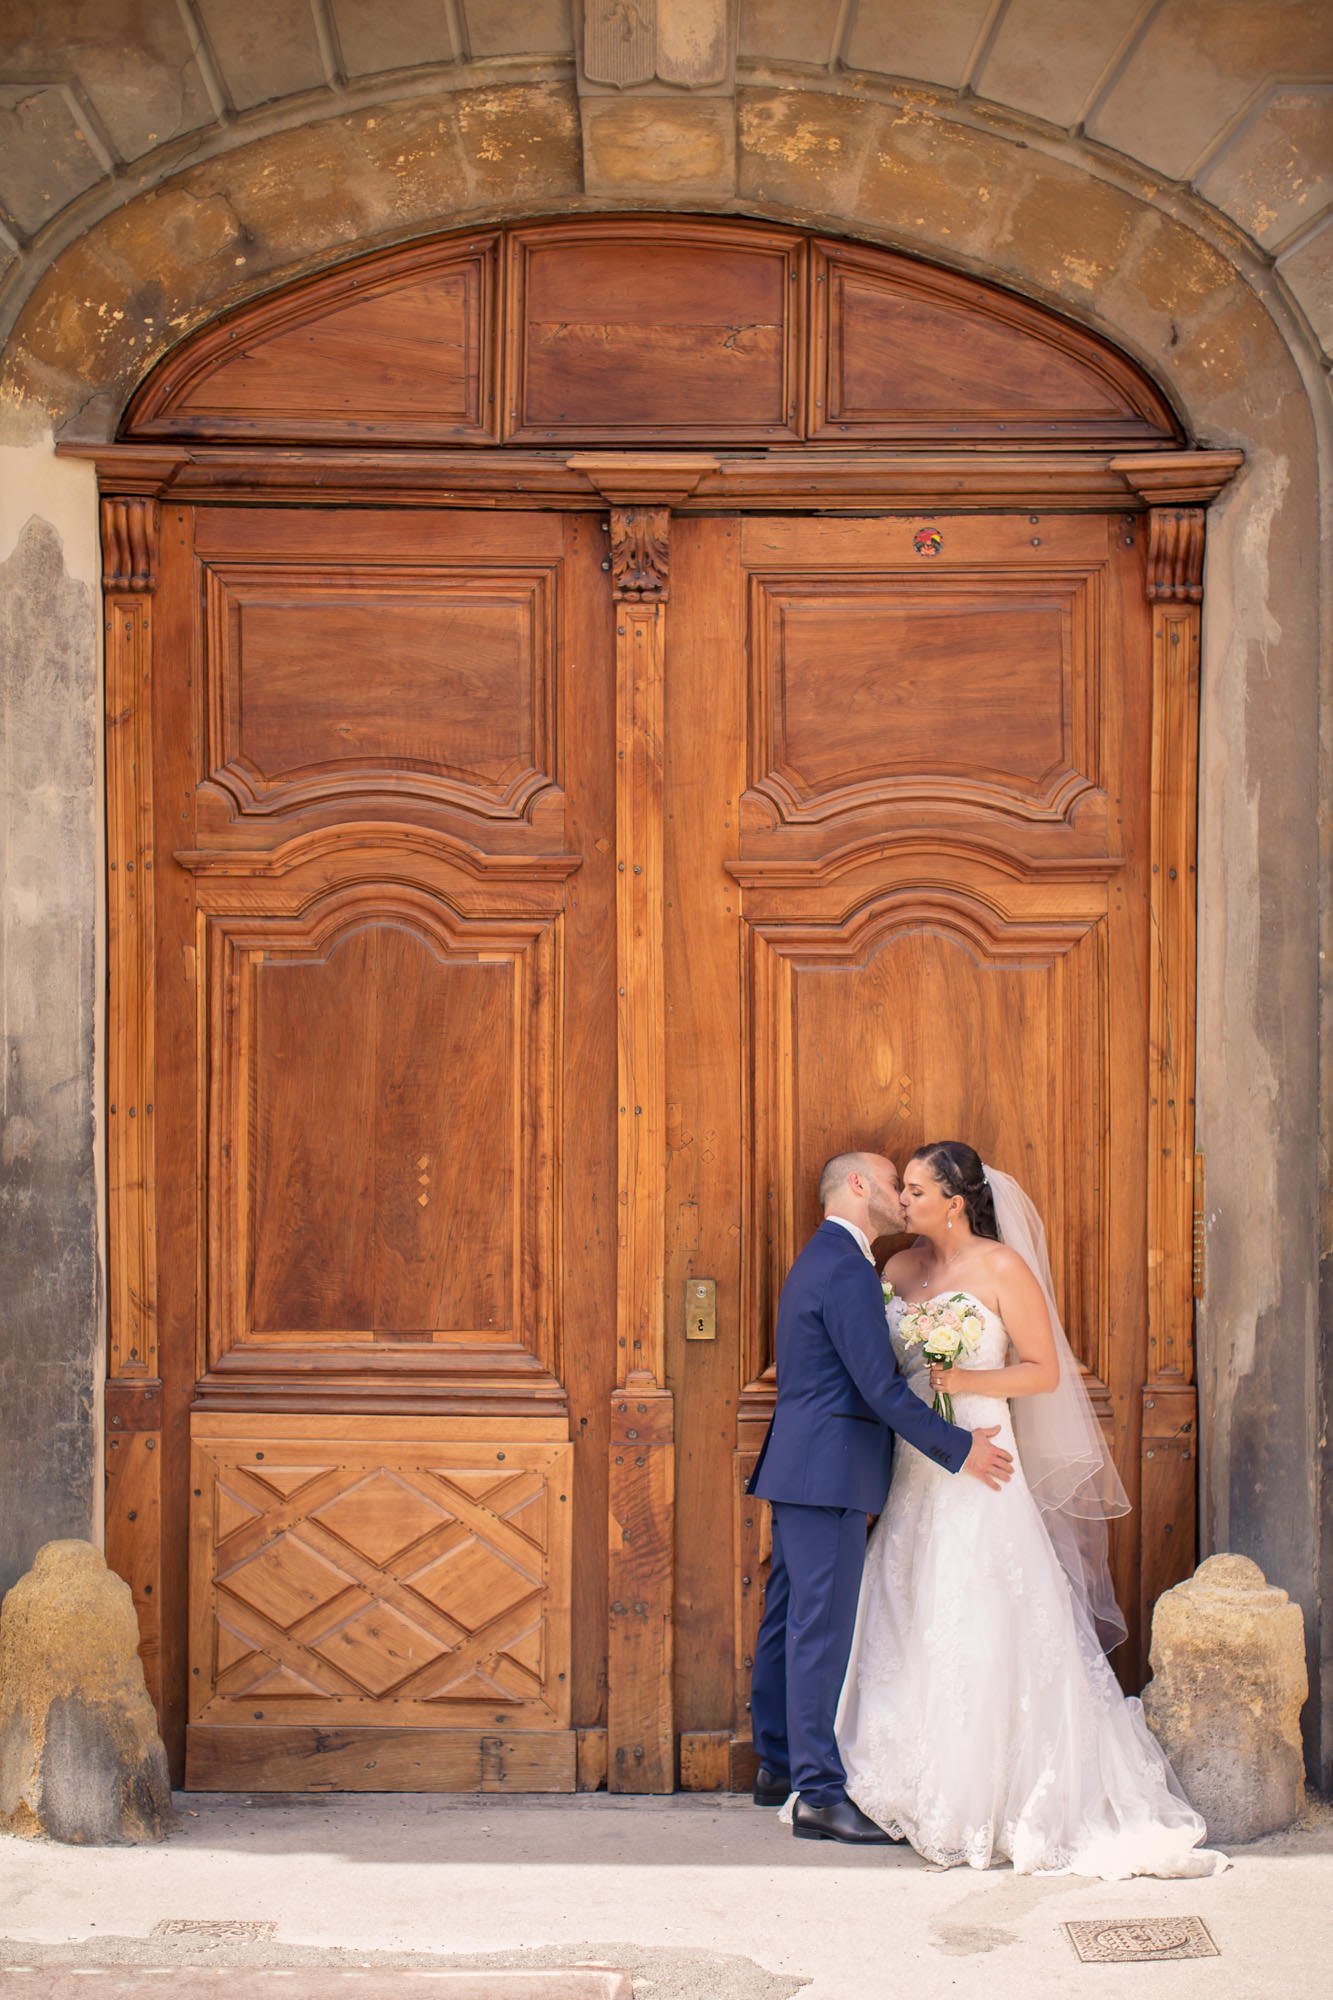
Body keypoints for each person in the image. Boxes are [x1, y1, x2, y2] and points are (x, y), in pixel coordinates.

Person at [829, 1140, 1229, 1877]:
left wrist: (970, 1372)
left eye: (915, 1191)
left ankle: (992, 1789)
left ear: (954, 1200)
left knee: (978, 1612)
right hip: (914, 1466)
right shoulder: (896, 1270)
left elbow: (1044, 1372)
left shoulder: (1001, 1267)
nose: (903, 1202)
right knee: (906, 1603)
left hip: (984, 1461)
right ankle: (898, 1774)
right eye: (902, 1189)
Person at [747, 1150, 1015, 1843]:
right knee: (817, 1630)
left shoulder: (828, 1259)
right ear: (859, 1186)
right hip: (827, 1471)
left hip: (805, 1468)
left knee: (789, 1619)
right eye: (893, 1184)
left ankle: (777, 1762)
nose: (900, 1197)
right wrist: (959, 1450)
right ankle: (817, 1793)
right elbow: (879, 1388)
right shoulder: (843, 1267)